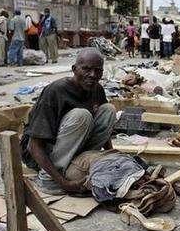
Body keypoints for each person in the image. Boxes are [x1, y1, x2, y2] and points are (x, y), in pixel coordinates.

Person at [20, 48, 116, 195]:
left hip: (72, 146)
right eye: (86, 69)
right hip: (41, 153)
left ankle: (73, 164)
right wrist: (64, 183)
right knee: (82, 115)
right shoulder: (55, 91)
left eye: (98, 71)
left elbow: (104, 126)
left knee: (108, 109)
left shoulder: (96, 89)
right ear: (74, 69)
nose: (92, 75)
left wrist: (111, 153)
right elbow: (34, 146)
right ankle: (48, 179)